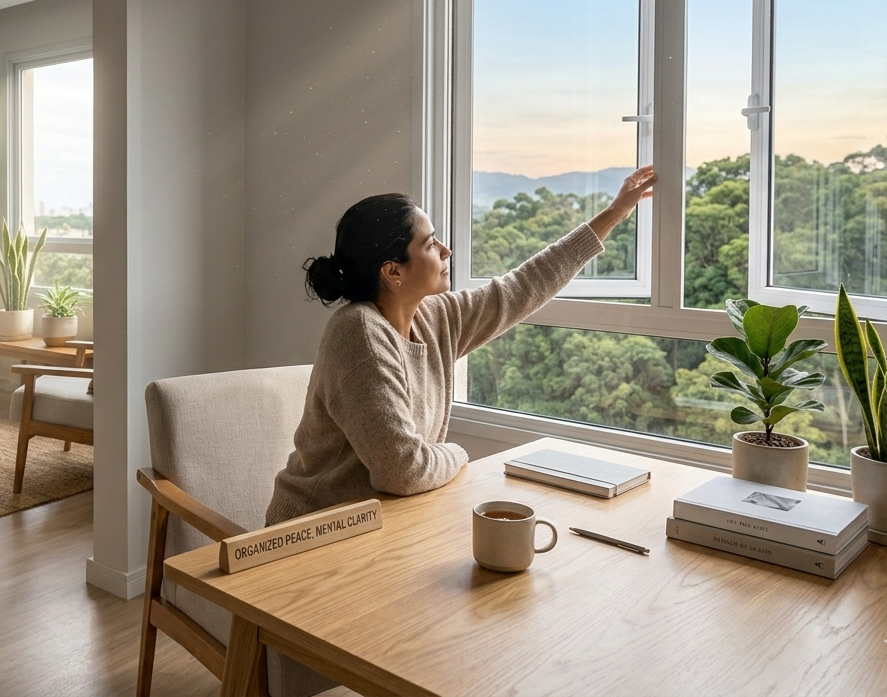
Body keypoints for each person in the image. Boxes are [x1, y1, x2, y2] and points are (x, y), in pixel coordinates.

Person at [265, 165, 658, 526]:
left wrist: (615, 213)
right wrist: (458, 452)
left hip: (381, 529)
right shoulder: (361, 334)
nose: (446, 251)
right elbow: (402, 470)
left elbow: (522, 287)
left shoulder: (434, 317)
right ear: (393, 271)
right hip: (309, 537)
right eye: (431, 244)